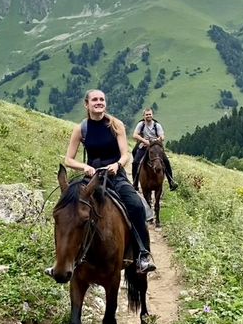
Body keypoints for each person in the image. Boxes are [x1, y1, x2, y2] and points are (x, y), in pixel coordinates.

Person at [64, 89, 156, 274]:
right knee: (69, 208)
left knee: (136, 206)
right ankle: (64, 256)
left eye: (102, 99)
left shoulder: (115, 124)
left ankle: (142, 255)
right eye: (95, 100)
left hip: (115, 176)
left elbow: (126, 154)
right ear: (86, 104)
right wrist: (84, 167)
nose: (99, 102)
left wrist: (117, 165)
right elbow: (68, 159)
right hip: (92, 177)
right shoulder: (81, 128)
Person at [132, 108, 178, 192]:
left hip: (155, 147)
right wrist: (144, 140)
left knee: (166, 161)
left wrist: (156, 140)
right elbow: (135, 135)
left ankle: (171, 181)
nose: (148, 116)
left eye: (150, 114)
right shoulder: (141, 124)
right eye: (147, 114)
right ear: (144, 116)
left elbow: (162, 137)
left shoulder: (157, 125)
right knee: (135, 162)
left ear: (152, 115)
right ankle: (135, 183)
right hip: (144, 146)